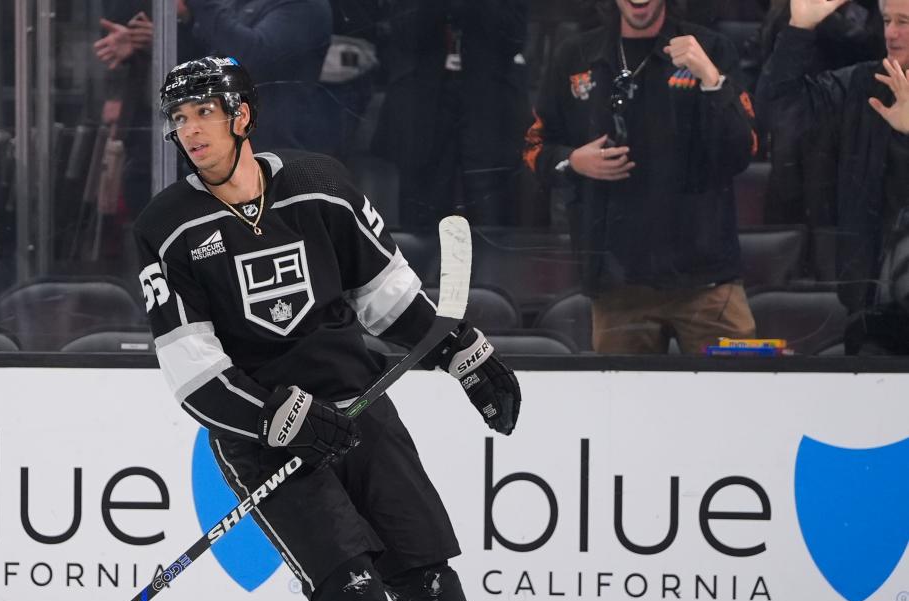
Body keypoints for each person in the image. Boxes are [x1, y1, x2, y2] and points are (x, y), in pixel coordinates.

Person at [132, 56, 551, 601]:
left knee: (422, 568)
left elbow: (387, 296)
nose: (189, 129)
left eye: (203, 112)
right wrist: (273, 417)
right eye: (179, 117)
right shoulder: (167, 227)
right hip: (262, 436)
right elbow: (192, 372)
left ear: (241, 115)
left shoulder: (321, 183)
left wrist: (464, 353)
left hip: (358, 408)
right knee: (350, 581)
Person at [523, 0, 761, 354]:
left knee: (736, 400)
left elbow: (745, 149)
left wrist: (711, 79)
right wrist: (573, 161)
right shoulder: (575, 54)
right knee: (620, 408)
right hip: (618, 283)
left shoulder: (709, 49)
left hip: (708, 280)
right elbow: (533, 148)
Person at [758, 0, 909, 352]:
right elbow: (780, 113)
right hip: (874, 317)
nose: (891, 32)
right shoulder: (864, 86)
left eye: (904, 21)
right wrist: (798, 30)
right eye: (887, 20)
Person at [371, 0, 532, 227]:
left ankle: (488, 263)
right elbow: (402, 30)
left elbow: (514, 37)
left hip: (488, 103)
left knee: (491, 213)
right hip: (424, 101)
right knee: (421, 216)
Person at [177, 0, 334, 151]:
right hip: (223, 141)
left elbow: (251, 56)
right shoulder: (238, 3)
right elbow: (212, 52)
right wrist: (186, 21)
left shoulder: (304, 6)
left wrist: (201, 5)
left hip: (273, 147)